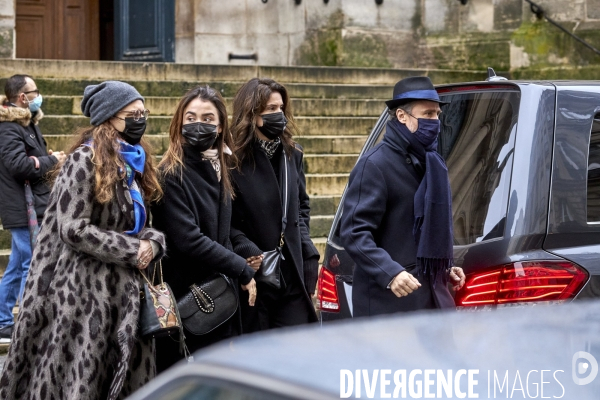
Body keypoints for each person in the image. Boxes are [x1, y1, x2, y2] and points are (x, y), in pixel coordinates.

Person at [0, 81, 166, 400]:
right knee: (86, 381)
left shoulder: (133, 162)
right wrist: (132, 250)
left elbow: (142, 223)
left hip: (129, 296)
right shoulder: (83, 160)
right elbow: (72, 228)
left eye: (144, 112)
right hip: (89, 296)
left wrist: (152, 243)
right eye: (133, 114)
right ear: (109, 118)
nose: (141, 120)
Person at [151, 85, 257, 372]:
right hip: (192, 298)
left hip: (219, 293)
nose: (199, 124)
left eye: (208, 118)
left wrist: (244, 249)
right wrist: (241, 268)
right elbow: (189, 240)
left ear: (220, 125)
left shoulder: (217, 167)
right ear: (179, 122)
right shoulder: (172, 173)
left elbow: (223, 227)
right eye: (191, 117)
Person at [340, 76, 466, 317]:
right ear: (401, 116)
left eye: (437, 114)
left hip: (432, 301)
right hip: (389, 307)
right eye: (428, 114)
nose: (436, 121)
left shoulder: (431, 162)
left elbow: (421, 235)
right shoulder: (374, 165)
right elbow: (354, 233)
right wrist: (391, 273)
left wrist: (441, 266)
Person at [230, 78, 320, 332]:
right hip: (254, 274)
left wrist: (308, 250)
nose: (278, 115)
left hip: (292, 269)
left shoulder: (292, 153)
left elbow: (301, 206)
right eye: (270, 109)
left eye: (280, 108)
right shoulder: (233, 161)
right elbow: (227, 219)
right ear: (252, 114)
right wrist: (244, 247)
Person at [0, 74, 66, 343]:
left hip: (33, 204)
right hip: (23, 208)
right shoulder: (8, 128)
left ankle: (3, 320)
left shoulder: (27, 124)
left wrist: (47, 159)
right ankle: (30, 324)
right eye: (35, 91)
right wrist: (51, 159)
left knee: (16, 267)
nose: (39, 96)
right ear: (22, 97)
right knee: (32, 266)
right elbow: (19, 166)